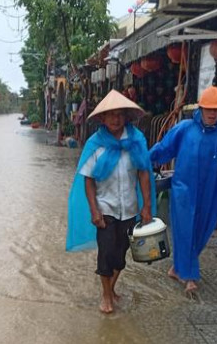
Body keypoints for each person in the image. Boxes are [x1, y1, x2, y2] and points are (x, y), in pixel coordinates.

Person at [149, 86, 217, 294]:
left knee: (202, 230)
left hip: (212, 192)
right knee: (185, 230)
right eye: (208, 109)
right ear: (201, 109)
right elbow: (163, 148)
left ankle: (178, 268)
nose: (212, 114)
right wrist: (143, 160)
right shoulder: (184, 128)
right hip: (183, 190)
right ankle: (190, 276)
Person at [66, 90, 155, 314]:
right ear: (102, 119)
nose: (115, 119)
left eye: (119, 114)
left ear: (126, 116)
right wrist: (94, 210)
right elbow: (88, 180)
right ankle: (106, 295)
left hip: (130, 208)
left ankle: (111, 288)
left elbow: (144, 173)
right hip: (106, 208)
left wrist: (147, 207)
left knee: (121, 254)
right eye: (110, 115)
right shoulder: (95, 144)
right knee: (106, 253)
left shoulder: (136, 141)